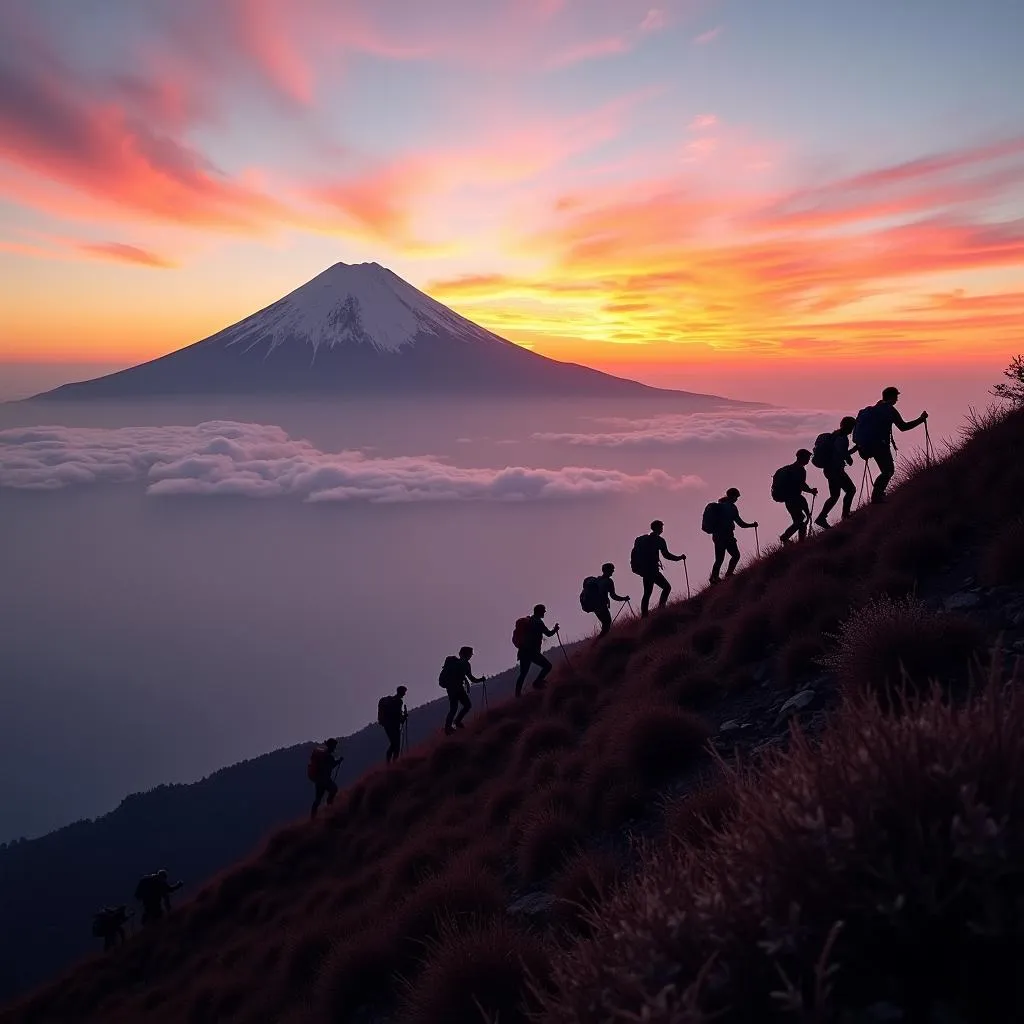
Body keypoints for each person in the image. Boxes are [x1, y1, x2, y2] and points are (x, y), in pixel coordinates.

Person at [854, 387, 928, 503]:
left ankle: (878, 495)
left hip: (867, 446)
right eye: (896, 397)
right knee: (888, 471)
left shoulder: (873, 409)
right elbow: (903, 427)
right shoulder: (889, 410)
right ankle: (877, 497)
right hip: (880, 446)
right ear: (892, 397)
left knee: (886, 470)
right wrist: (920, 419)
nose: (897, 400)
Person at [630, 521, 686, 617]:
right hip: (652, 569)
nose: (662, 529)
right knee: (666, 587)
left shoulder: (642, 539)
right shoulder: (659, 540)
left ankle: (644, 615)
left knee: (647, 593)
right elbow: (666, 555)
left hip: (644, 570)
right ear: (659, 528)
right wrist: (679, 558)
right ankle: (661, 609)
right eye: (661, 527)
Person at [813, 416, 858, 528]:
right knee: (851, 490)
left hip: (828, 470)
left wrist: (849, 453)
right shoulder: (842, 438)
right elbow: (842, 454)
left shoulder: (834, 435)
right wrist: (851, 457)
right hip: (836, 470)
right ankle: (845, 515)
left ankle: (821, 518)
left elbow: (838, 452)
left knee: (835, 495)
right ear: (850, 427)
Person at [706, 489, 758, 583]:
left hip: (717, 536)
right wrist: (752, 525)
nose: (737, 499)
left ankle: (714, 578)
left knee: (719, 559)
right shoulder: (732, 508)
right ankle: (728, 574)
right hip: (728, 536)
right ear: (733, 496)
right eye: (736, 497)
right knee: (736, 555)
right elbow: (741, 524)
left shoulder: (719, 506)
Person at [772, 449, 818, 544]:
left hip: (788, 500)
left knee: (800, 520)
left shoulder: (789, 469)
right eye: (807, 458)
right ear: (801, 457)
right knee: (800, 520)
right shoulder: (800, 470)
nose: (808, 460)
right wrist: (811, 491)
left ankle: (801, 543)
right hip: (795, 498)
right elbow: (802, 485)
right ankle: (785, 537)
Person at [512, 605, 559, 697]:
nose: (544, 613)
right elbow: (548, 634)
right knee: (548, 666)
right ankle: (537, 682)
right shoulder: (538, 622)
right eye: (543, 611)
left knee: (523, 674)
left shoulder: (530, 620)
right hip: (532, 652)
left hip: (523, 652)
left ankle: (517, 695)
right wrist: (555, 629)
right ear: (539, 612)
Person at [439, 646, 485, 734]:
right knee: (466, 705)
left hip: (451, 689)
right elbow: (472, 679)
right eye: (471, 654)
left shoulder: (455, 663)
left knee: (454, 708)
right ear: (467, 654)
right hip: (458, 689)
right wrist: (481, 680)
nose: (471, 656)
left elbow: (469, 679)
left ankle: (449, 727)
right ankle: (454, 724)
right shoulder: (466, 664)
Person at [580, 563, 630, 636]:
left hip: (595, 607)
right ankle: (598, 643)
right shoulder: (609, 581)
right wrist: (624, 598)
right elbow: (613, 596)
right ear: (608, 570)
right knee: (607, 624)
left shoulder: (597, 579)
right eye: (612, 569)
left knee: (605, 625)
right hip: (601, 606)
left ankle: (597, 643)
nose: (613, 571)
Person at [307, 738, 343, 819]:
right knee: (334, 789)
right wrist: (339, 761)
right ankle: (329, 807)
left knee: (318, 799)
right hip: (325, 780)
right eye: (334, 746)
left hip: (319, 780)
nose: (335, 748)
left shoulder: (323, 755)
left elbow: (329, 765)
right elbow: (332, 765)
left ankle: (313, 817)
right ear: (331, 746)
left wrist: (337, 762)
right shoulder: (329, 757)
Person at [377, 685, 408, 762]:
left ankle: (390, 763)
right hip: (394, 726)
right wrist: (404, 717)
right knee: (396, 745)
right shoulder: (398, 702)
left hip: (388, 726)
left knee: (394, 744)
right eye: (404, 692)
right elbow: (398, 717)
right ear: (402, 692)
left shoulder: (392, 700)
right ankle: (393, 763)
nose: (405, 694)